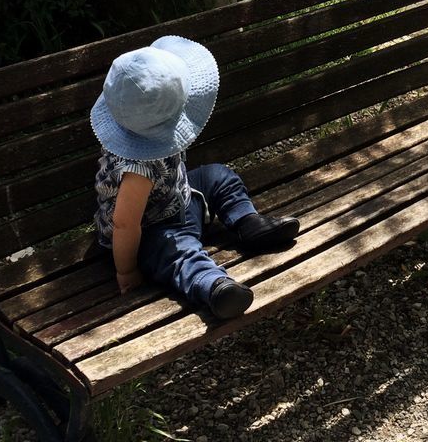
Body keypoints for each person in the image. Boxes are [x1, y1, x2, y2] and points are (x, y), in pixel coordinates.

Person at [91, 35, 300, 320]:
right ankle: (214, 286)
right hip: (146, 233)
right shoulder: (137, 169)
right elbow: (125, 223)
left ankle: (247, 223)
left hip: (176, 198)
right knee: (175, 251)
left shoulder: (130, 123)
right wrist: (126, 271)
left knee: (217, 175)